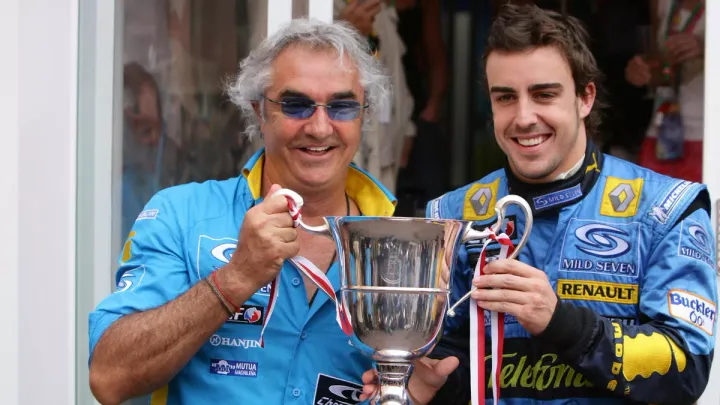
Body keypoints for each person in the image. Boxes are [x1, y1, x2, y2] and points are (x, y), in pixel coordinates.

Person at [88, 18, 466, 405]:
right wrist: (235, 279)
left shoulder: (400, 247)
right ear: (259, 112)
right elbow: (109, 377)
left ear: (364, 115)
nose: (320, 127)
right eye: (296, 105)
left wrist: (405, 395)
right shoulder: (182, 214)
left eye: (342, 106)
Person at [361, 4, 717, 404]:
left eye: (544, 94)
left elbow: (687, 369)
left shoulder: (667, 209)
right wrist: (433, 384)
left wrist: (559, 321)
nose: (524, 117)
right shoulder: (449, 217)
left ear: (585, 97)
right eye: (506, 98)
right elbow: (455, 365)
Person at [625, 0, 705, 182]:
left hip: (708, 133)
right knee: (653, 206)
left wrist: (707, 48)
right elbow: (663, 67)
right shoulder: (661, 3)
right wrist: (642, 71)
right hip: (665, 131)